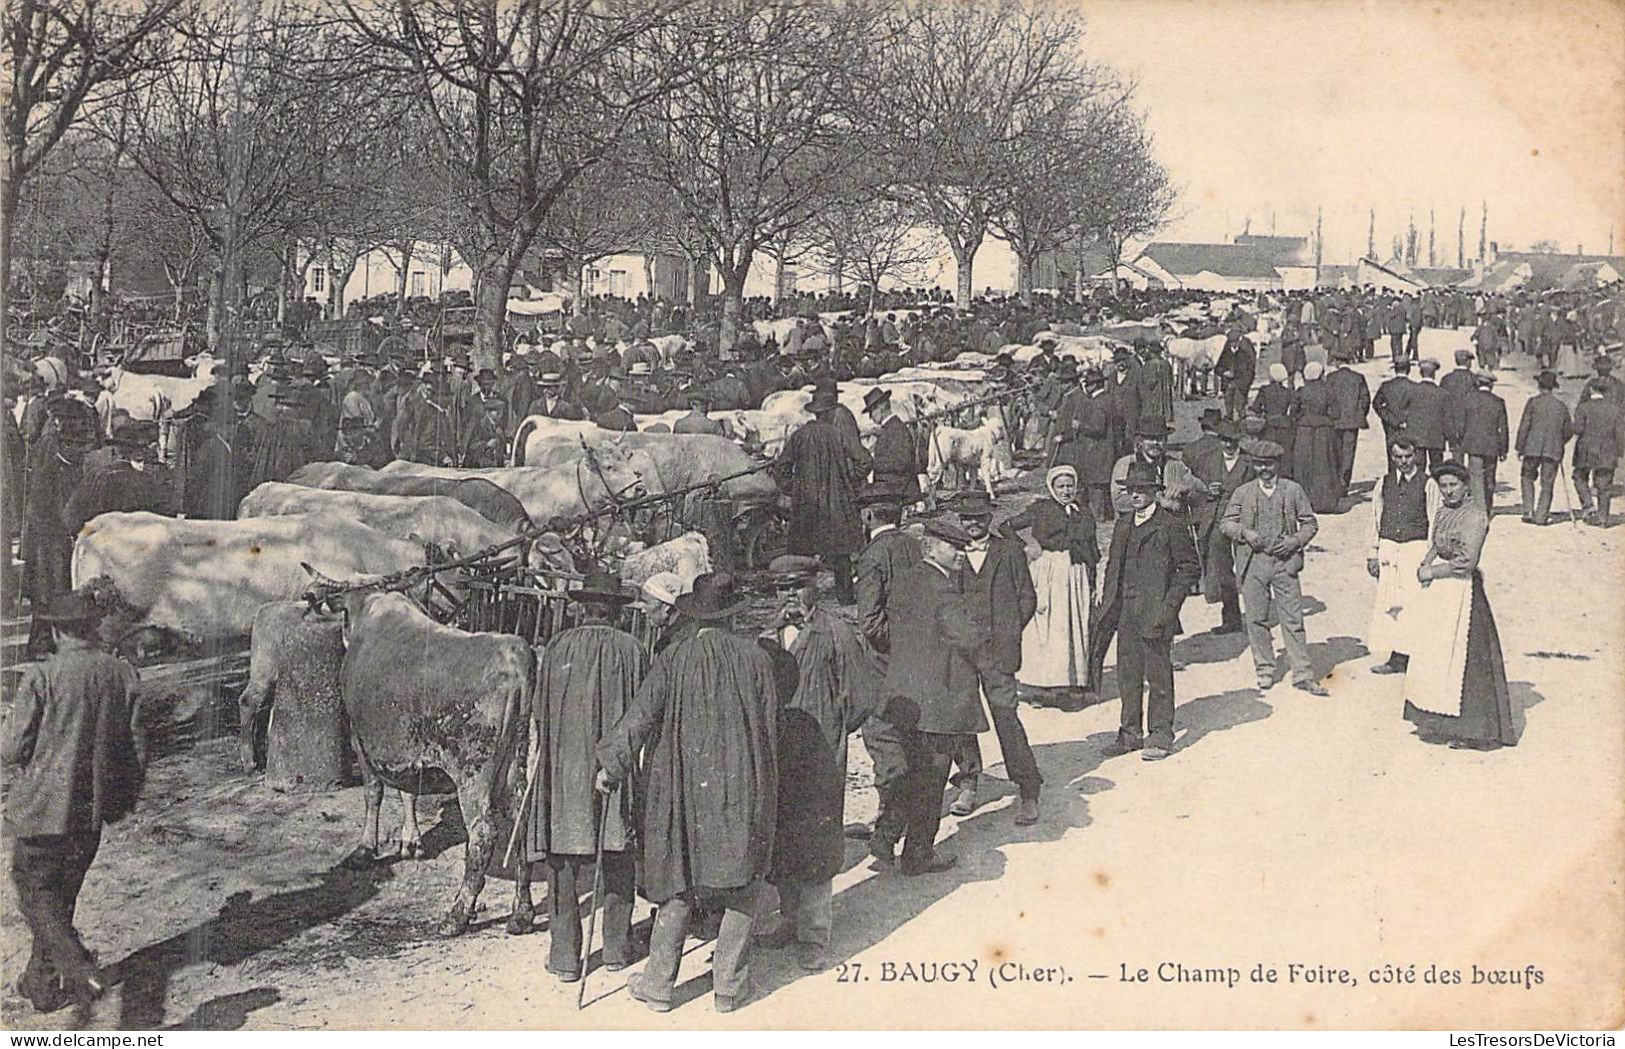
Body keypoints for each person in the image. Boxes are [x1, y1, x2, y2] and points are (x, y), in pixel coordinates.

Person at [596, 573, 780, 1014]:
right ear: (733, 616)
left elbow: (639, 718)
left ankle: (659, 986)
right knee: (741, 880)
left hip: (680, 786)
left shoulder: (673, 658)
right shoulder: (756, 659)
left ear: (696, 614)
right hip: (740, 783)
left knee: (678, 883)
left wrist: (611, 767)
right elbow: (771, 732)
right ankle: (729, 989)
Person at [4, 590, 144, 1012]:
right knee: (59, 898)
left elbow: (10, 749)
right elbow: (137, 748)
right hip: (89, 814)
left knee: (33, 891)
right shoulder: (123, 674)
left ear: (56, 630)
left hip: (41, 811)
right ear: (93, 628)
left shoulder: (42, 677)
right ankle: (40, 984)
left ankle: (77, 964)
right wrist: (122, 797)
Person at [524, 570, 645, 983]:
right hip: (614, 770)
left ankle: (564, 957)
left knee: (562, 863)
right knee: (618, 854)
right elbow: (644, 716)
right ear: (614, 611)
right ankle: (615, 947)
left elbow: (539, 712)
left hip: (564, 774)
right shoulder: (632, 650)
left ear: (583, 609)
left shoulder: (558, 647)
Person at [756, 578, 879, 972]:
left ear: (815, 589)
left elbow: (860, 696)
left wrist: (834, 732)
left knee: (816, 842)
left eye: (798, 587)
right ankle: (789, 919)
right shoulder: (767, 636)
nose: (789, 595)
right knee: (782, 839)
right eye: (782, 588)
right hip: (778, 754)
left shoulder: (836, 631)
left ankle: (813, 934)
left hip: (820, 754)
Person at [871, 515, 982, 871]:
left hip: (904, 693)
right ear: (932, 546)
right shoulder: (944, 589)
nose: (961, 554)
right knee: (931, 779)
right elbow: (967, 637)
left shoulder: (904, 580)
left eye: (964, 548)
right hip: (939, 698)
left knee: (909, 771)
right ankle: (918, 854)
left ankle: (886, 836)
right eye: (955, 548)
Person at [1399, 461, 1521, 749]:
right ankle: (1437, 722)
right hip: (1439, 593)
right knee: (1435, 654)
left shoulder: (1475, 516)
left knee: (1465, 658)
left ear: (1466, 486)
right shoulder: (1443, 511)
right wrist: (1425, 563)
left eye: (1454, 485)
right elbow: (1435, 543)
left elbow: (1466, 562)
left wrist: (1433, 571)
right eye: (1444, 486)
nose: (1449, 491)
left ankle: (1474, 730)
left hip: (1463, 592)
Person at [946, 490, 1041, 825]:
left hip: (999, 652)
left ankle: (1028, 788)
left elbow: (1026, 598)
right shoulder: (951, 553)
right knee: (961, 718)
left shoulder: (1009, 551)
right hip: (960, 653)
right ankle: (969, 782)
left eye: (979, 517)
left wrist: (1008, 631)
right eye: (966, 517)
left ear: (989, 518)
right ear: (959, 520)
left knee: (1006, 717)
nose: (972, 523)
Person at [1095, 462, 1199, 760]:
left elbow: (1189, 568)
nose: (1136, 495)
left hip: (1155, 611)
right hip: (1124, 610)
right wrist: (1107, 601)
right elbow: (1113, 566)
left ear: (1154, 491)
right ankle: (1129, 734)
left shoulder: (1170, 523)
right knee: (1127, 674)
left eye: (1141, 490)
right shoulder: (1123, 523)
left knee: (1158, 672)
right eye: (1131, 490)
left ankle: (1160, 733)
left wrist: (1169, 606)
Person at [1220, 439, 1327, 695]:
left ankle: (1302, 672)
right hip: (1252, 563)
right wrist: (1244, 532)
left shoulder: (1292, 490)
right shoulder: (1243, 492)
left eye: (1268, 465)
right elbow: (1226, 523)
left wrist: (1294, 541)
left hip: (1284, 563)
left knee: (1293, 618)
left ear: (1277, 464)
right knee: (1256, 619)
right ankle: (1265, 669)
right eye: (1258, 465)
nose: (1264, 470)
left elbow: (1310, 523)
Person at [852, 483, 918, 861]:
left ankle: (889, 819)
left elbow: (871, 623)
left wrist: (899, 639)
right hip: (918, 659)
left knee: (883, 734)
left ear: (868, 515)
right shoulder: (914, 546)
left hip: (885, 663)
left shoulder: (874, 556)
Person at [1002, 465, 1099, 697]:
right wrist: (1027, 547)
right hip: (1050, 570)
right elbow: (1005, 527)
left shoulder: (1083, 512)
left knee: (1073, 624)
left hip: (1076, 573)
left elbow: (1091, 549)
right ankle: (1040, 683)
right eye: (1061, 486)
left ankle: (1069, 680)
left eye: (1070, 486)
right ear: (1051, 488)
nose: (1066, 491)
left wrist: (1093, 581)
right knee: (1047, 626)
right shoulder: (1041, 509)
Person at [775, 385, 872, 604]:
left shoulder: (799, 436)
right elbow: (865, 461)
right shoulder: (838, 435)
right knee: (840, 555)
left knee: (802, 555)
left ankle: (803, 599)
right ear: (829, 412)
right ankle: (845, 599)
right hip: (836, 503)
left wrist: (793, 488)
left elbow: (780, 468)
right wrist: (850, 479)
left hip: (806, 504)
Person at [21, 400, 95, 658]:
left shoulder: (68, 460)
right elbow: (41, 506)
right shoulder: (52, 459)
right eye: (77, 447)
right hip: (46, 538)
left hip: (57, 537)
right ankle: (40, 644)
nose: (81, 452)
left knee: (58, 588)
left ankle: (51, 640)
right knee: (46, 590)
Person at [1366, 439, 1441, 675]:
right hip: (1389, 548)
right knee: (1390, 604)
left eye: (1407, 456)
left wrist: (1428, 559)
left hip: (1414, 549)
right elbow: (1375, 518)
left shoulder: (1429, 484)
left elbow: (1434, 522)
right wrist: (1373, 553)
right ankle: (1396, 657)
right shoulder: (1384, 483)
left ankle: (1415, 657)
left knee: (1413, 603)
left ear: (1416, 456)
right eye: (1398, 457)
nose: (1403, 462)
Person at [1184, 419, 1254, 634]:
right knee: (1222, 569)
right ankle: (1231, 618)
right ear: (1219, 440)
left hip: (1244, 521)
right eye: (1225, 440)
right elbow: (1193, 491)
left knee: (1249, 568)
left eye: (1233, 441)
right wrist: (1208, 492)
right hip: (1217, 521)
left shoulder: (1249, 463)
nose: (1229, 446)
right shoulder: (1208, 461)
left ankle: (1255, 617)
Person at [1053, 368, 1116, 521]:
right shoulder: (1110, 399)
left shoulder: (1097, 403)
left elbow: (1098, 428)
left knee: (1094, 485)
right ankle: (1104, 514)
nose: (1086, 388)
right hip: (1106, 449)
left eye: (1087, 385)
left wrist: (1079, 425)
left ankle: (1097, 519)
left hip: (1095, 450)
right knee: (1100, 486)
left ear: (1093, 386)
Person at [1514, 370, 1573, 525]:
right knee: (1547, 483)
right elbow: (1568, 431)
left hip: (1532, 448)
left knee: (1527, 476)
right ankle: (1541, 515)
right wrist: (1559, 442)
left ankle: (1528, 510)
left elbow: (1524, 426)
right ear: (1553, 387)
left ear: (1539, 386)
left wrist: (1520, 447)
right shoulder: (1561, 406)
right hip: (1552, 450)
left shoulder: (1532, 402)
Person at [1109, 419, 1199, 518]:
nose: (1155, 443)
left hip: (1170, 526)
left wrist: (1187, 489)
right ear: (1141, 441)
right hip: (1137, 526)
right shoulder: (1125, 464)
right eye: (1150, 439)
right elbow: (1118, 501)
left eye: (1160, 439)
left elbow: (1200, 491)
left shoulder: (1176, 465)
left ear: (1166, 441)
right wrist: (1156, 500)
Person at [1288, 361, 1342, 513]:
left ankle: (1304, 502)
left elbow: (1293, 412)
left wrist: (1302, 418)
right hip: (1324, 430)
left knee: (1303, 464)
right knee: (1325, 464)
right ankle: (1324, 502)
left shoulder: (1301, 391)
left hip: (1304, 430)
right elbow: (1336, 413)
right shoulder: (1328, 391)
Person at [1571, 379, 1622, 526]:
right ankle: (1603, 519)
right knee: (1604, 485)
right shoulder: (1615, 409)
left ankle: (1588, 505)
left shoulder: (1583, 407)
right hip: (1607, 451)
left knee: (1579, 476)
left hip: (1586, 450)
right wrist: (1618, 452)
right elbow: (1620, 434)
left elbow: (1578, 429)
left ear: (1591, 390)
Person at [1456, 372, 1509, 515]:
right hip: (1492, 446)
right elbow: (1503, 428)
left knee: (1476, 477)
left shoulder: (1468, 399)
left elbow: (1461, 424)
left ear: (1478, 383)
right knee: (1490, 478)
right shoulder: (1498, 401)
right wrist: (1504, 449)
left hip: (1473, 445)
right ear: (1491, 385)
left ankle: (1479, 509)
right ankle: (1488, 506)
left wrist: (1461, 440)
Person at [1324, 351, 1371, 495]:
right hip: (1352, 421)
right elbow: (1365, 399)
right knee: (1349, 452)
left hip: (1334, 421)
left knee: (1336, 450)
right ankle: (1344, 482)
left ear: (1337, 363)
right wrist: (1360, 414)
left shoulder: (1330, 378)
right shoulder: (1358, 378)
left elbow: (1326, 399)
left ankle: (1337, 481)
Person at [863, 388, 920, 500]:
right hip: (892, 488)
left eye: (872, 411)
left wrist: (873, 463)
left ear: (882, 407)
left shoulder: (897, 429)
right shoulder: (889, 428)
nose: (870, 417)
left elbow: (903, 462)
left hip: (899, 490)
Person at [1404, 358, 1450, 474]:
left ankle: (1418, 491)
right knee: (1437, 468)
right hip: (1436, 437)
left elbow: (1402, 409)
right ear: (1434, 374)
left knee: (1418, 469)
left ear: (1420, 373)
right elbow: (1447, 417)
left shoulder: (1411, 390)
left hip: (1416, 437)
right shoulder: (1443, 393)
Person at [1251, 362, 1297, 476]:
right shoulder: (1288, 392)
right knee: (1285, 453)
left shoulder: (1264, 390)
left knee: (1268, 451)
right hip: (1284, 425)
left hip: (1269, 425)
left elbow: (1256, 407)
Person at [1372, 356, 1417, 450]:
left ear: (1395, 369)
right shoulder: (1415, 387)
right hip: (1410, 429)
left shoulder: (1386, 386)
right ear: (1408, 369)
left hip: (1391, 428)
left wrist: (1392, 420)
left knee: (1393, 457)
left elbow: (1376, 405)